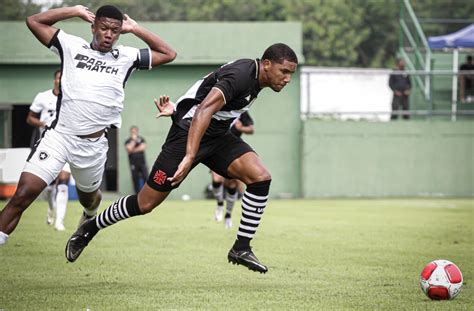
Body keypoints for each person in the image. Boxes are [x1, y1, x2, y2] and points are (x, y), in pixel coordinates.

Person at [65, 43, 298, 274]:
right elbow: (203, 110)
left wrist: (177, 109)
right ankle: (90, 227)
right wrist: (189, 155)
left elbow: (203, 91)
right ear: (267, 64)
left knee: (260, 177)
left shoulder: (256, 77)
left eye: (291, 74)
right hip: (187, 133)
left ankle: (241, 248)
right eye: (284, 71)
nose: (287, 78)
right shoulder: (241, 75)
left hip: (216, 135)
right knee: (145, 203)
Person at [0, 4, 176, 246]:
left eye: (115, 30)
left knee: (89, 199)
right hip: (59, 137)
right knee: (23, 194)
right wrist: (73, 11)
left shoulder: (127, 56)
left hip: (92, 146)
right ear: (93, 26)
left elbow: (168, 53)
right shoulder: (71, 45)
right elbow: (34, 22)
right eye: (104, 28)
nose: (109, 34)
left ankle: (90, 216)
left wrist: (135, 28)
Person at [26, 69, 71, 231]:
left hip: (66, 145)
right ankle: (51, 208)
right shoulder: (43, 97)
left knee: (64, 180)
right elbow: (30, 117)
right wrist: (43, 124)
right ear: (55, 80)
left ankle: (60, 221)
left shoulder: (71, 99)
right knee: (50, 187)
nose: (61, 80)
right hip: (47, 145)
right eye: (59, 77)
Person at [212, 112, 254, 229]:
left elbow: (251, 129)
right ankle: (220, 204)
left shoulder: (241, 111)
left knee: (232, 184)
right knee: (216, 179)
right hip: (216, 149)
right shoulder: (219, 107)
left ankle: (228, 215)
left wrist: (242, 128)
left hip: (233, 151)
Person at [125, 126, 148, 194]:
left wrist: (133, 150)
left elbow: (142, 148)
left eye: (135, 131)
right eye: (132, 131)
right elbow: (129, 149)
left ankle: (146, 193)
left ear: (137, 132)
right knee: (135, 178)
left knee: (145, 177)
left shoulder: (141, 139)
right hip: (133, 163)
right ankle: (137, 194)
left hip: (142, 163)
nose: (134, 133)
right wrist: (134, 141)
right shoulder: (128, 141)